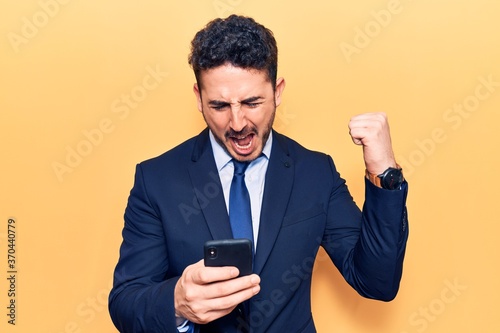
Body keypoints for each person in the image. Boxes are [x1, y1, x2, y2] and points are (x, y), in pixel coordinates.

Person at [108, 14, 409, 333]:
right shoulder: (156, 179)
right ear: (198, 98)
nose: (237, 123)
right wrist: (176, 303)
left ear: (277, 91)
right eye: (220, 106)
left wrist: (385, 174)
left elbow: (377, 282)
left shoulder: (315, 172)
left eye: (252, 102)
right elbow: (126, 302)